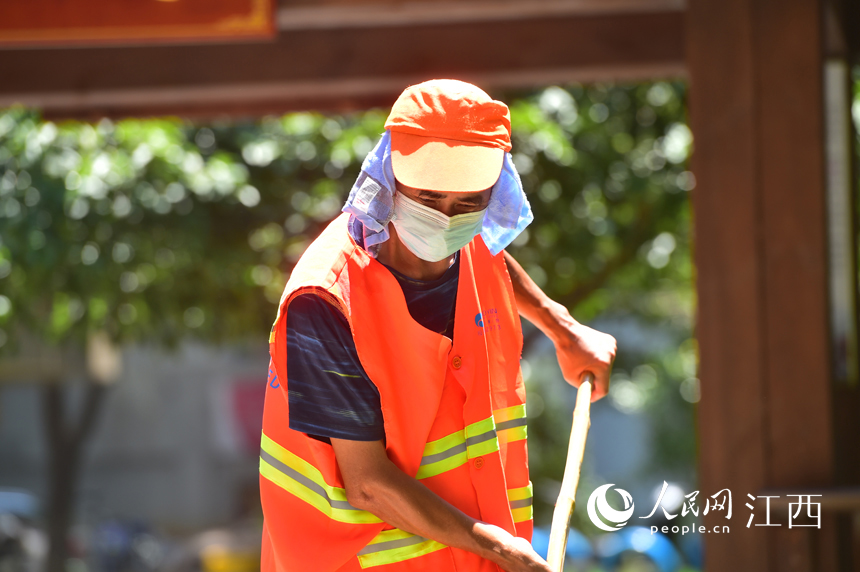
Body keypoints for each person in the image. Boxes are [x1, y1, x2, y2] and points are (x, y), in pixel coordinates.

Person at [259, 79, 616, 572]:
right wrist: (497, 547)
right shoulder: (323, 302)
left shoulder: (469, 243)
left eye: (468, 203)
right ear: (388, 178)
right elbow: (366, 482)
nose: (446, 220)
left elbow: (487, 255)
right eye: (428, 197)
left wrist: (562, 327)